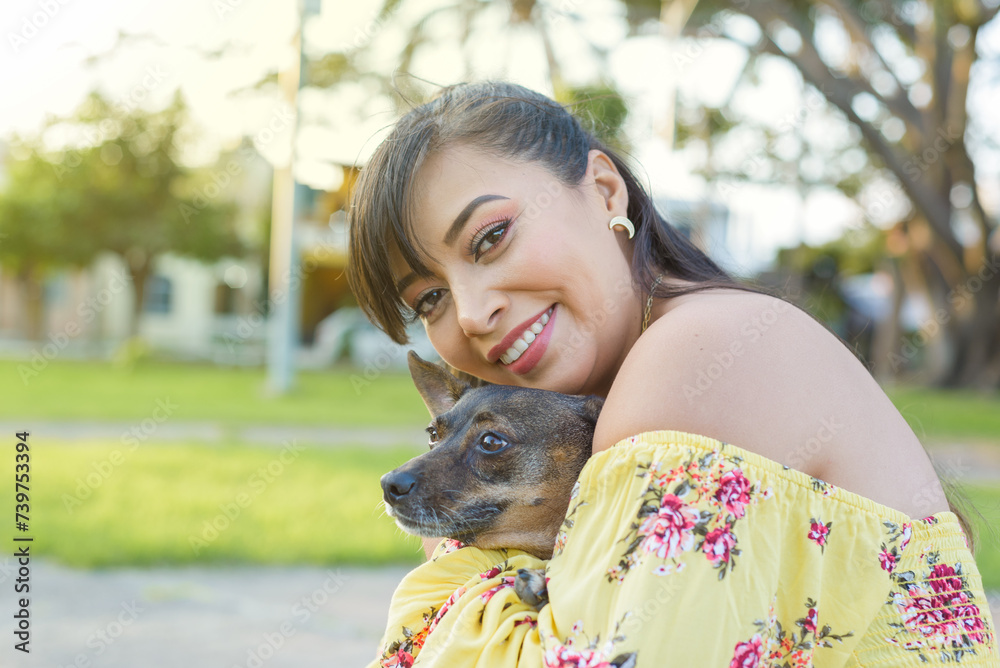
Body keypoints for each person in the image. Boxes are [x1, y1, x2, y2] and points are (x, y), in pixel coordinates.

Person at [347, 81, 997, 667]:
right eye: (430, 299)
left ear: (605, 190)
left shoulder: (696, 355)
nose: (472, 312)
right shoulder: (694, 342)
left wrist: (457, 558)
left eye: (491, 238)